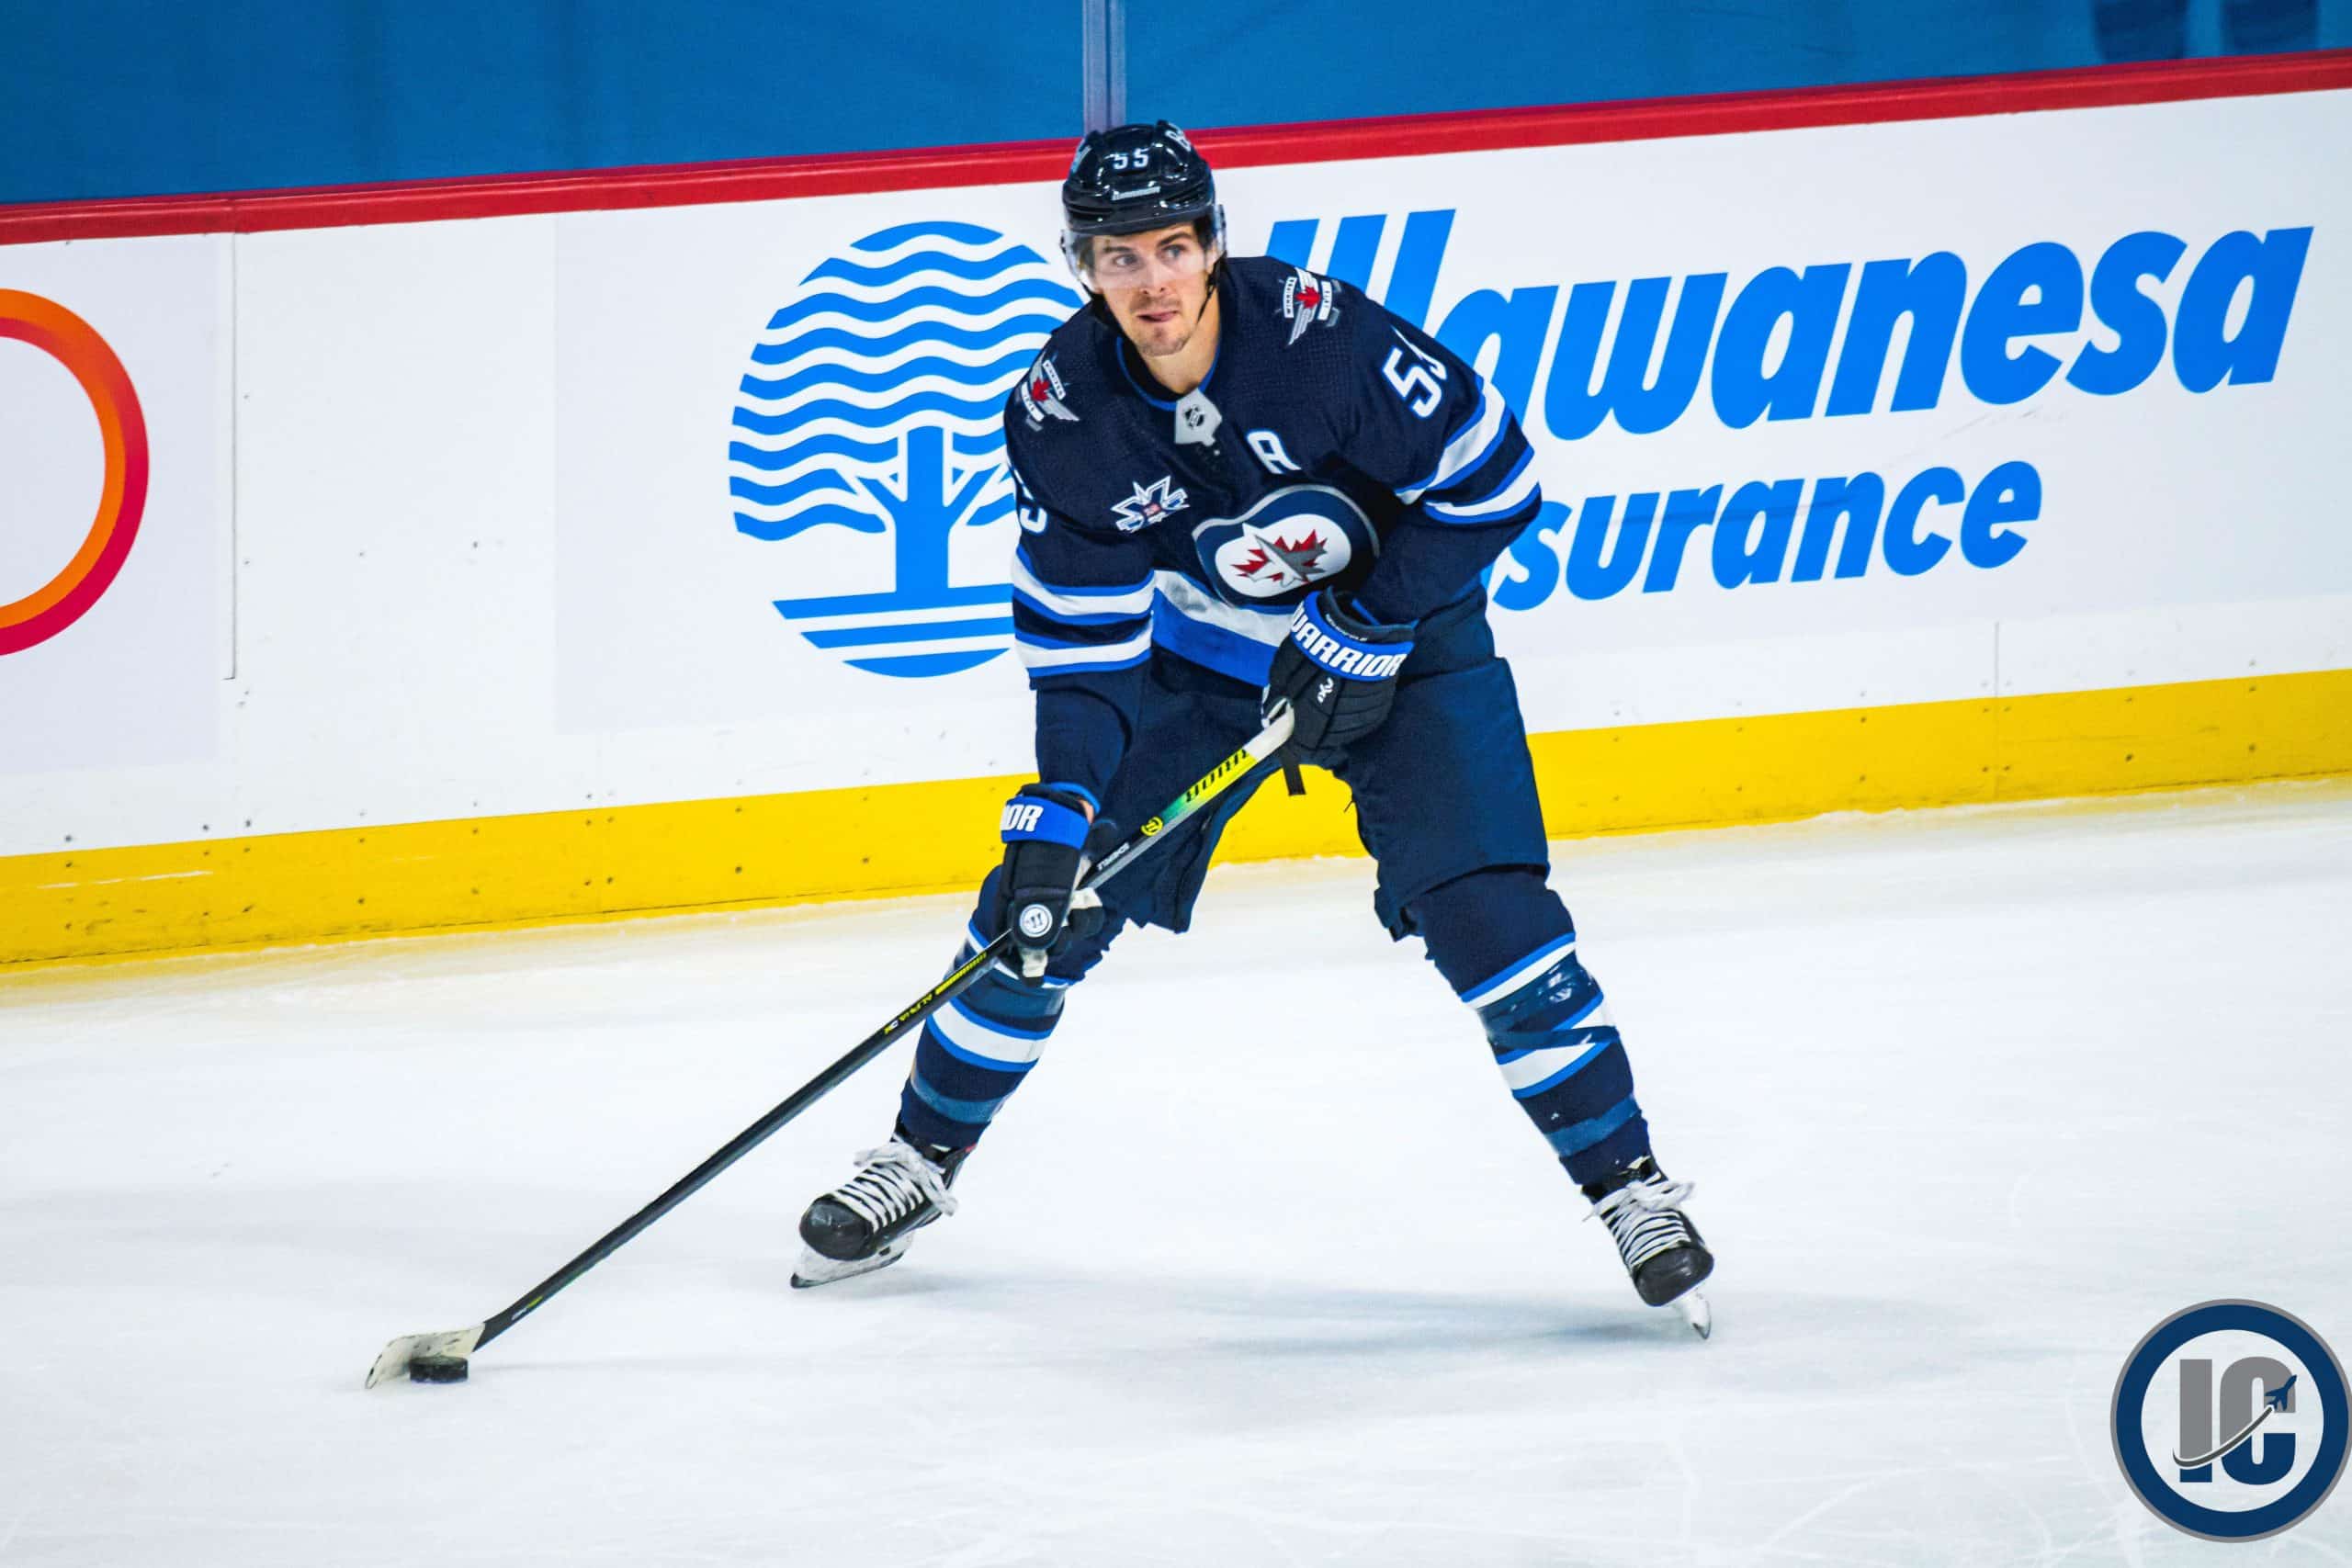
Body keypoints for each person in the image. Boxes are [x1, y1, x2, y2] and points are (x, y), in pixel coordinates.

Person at [793, 120, 1713, 1331]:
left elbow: (1497, 480)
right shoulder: (1063, 415)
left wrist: (1369, 619)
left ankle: (1630, 1187)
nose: (1153, 282)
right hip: (1207, 663)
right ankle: (917, 1161)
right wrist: (1061, 804)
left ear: (1214, 244)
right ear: (1083, 267)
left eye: (1174, 248)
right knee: (1037, 912)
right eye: (1121, 257)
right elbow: (1082, 646)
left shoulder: (1319, 340)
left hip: (1409, 643)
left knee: (1492, 918)